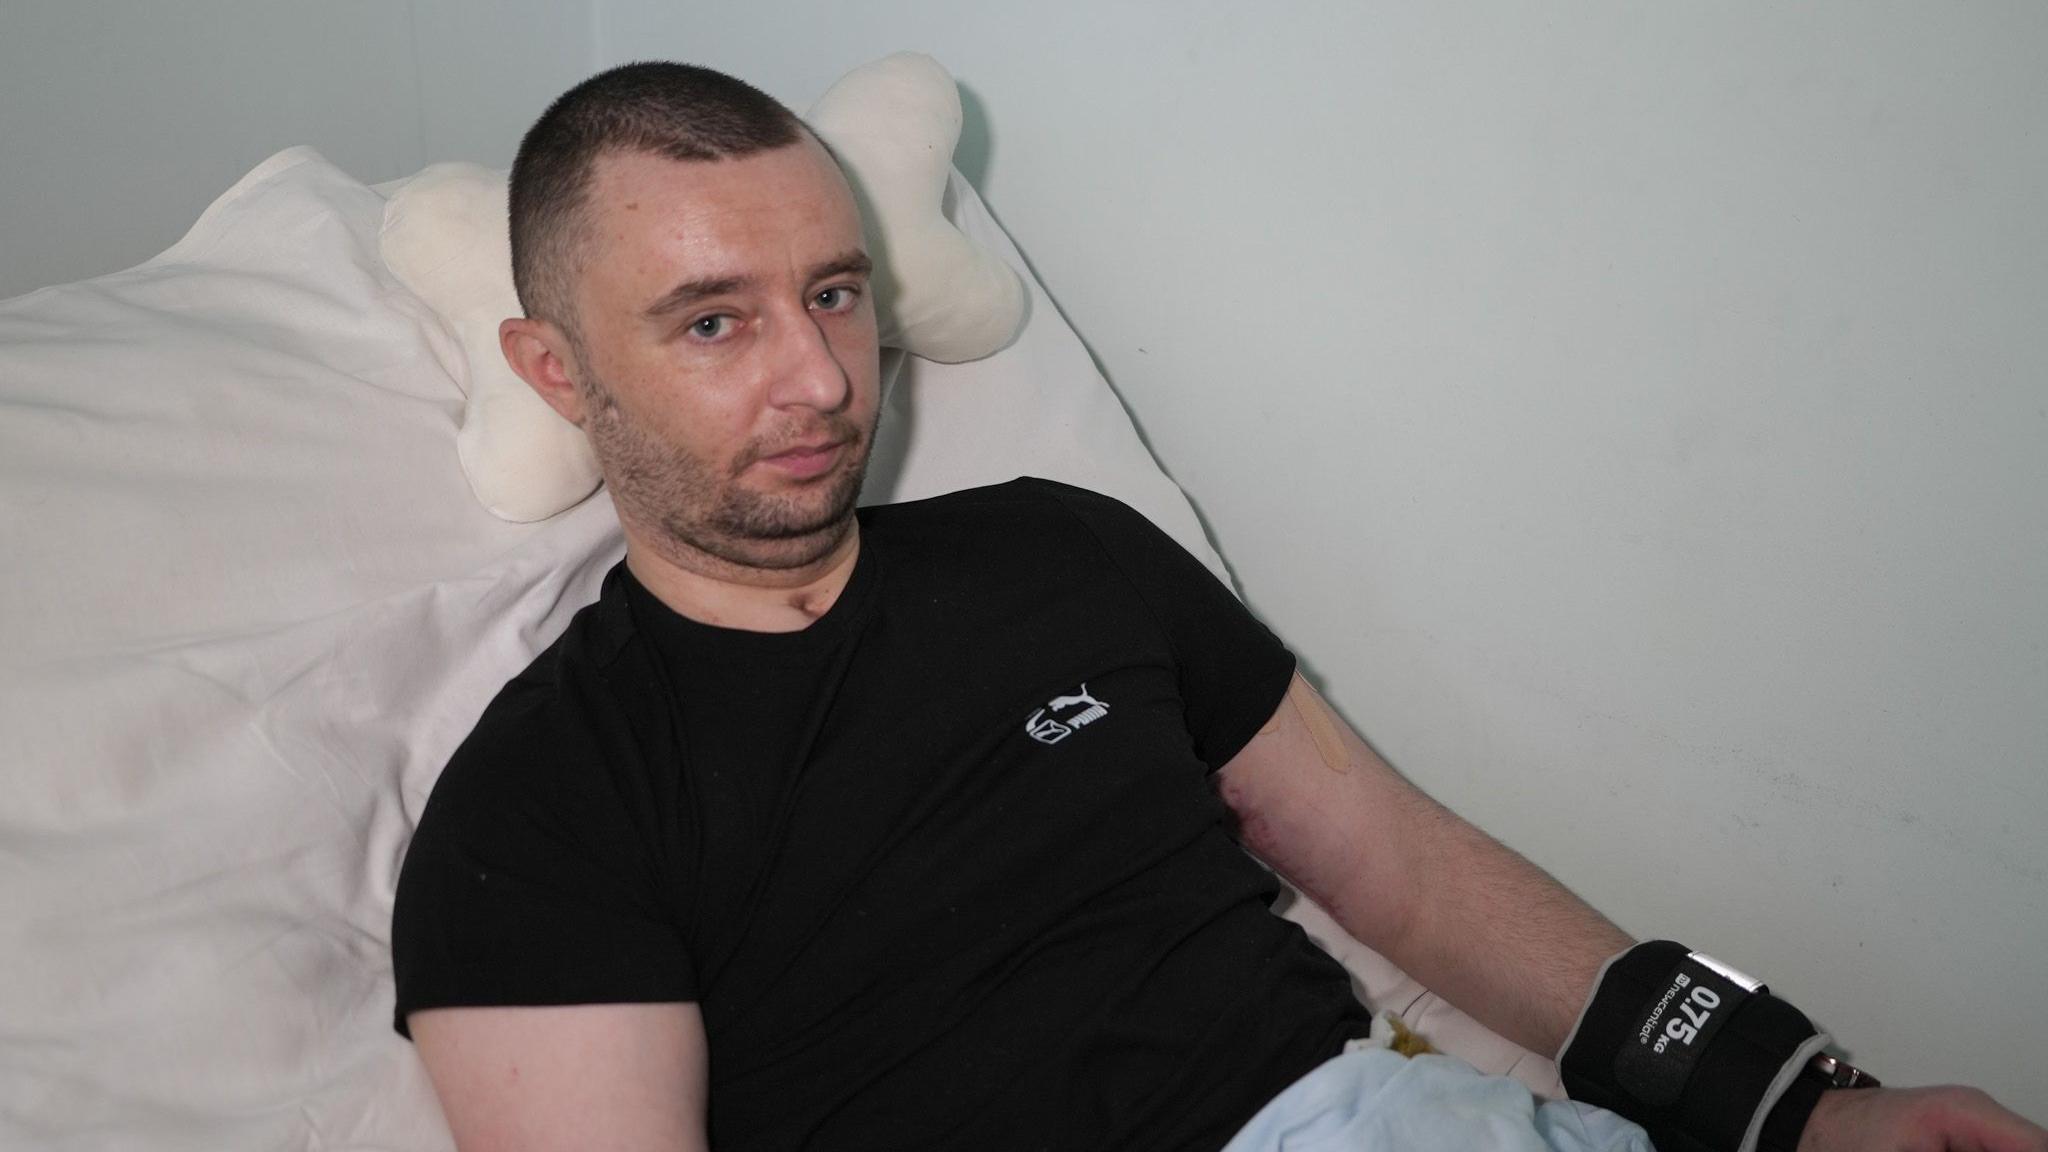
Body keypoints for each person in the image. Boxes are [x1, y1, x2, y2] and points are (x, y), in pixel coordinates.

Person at [389, 62, 2046, 1152]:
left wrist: (1795, 1104)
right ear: (557, 371)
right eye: (710, 324)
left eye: (834, 292)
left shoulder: (1062, 554)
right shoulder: (536, 817)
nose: (822, 376)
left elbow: (1401, 861)